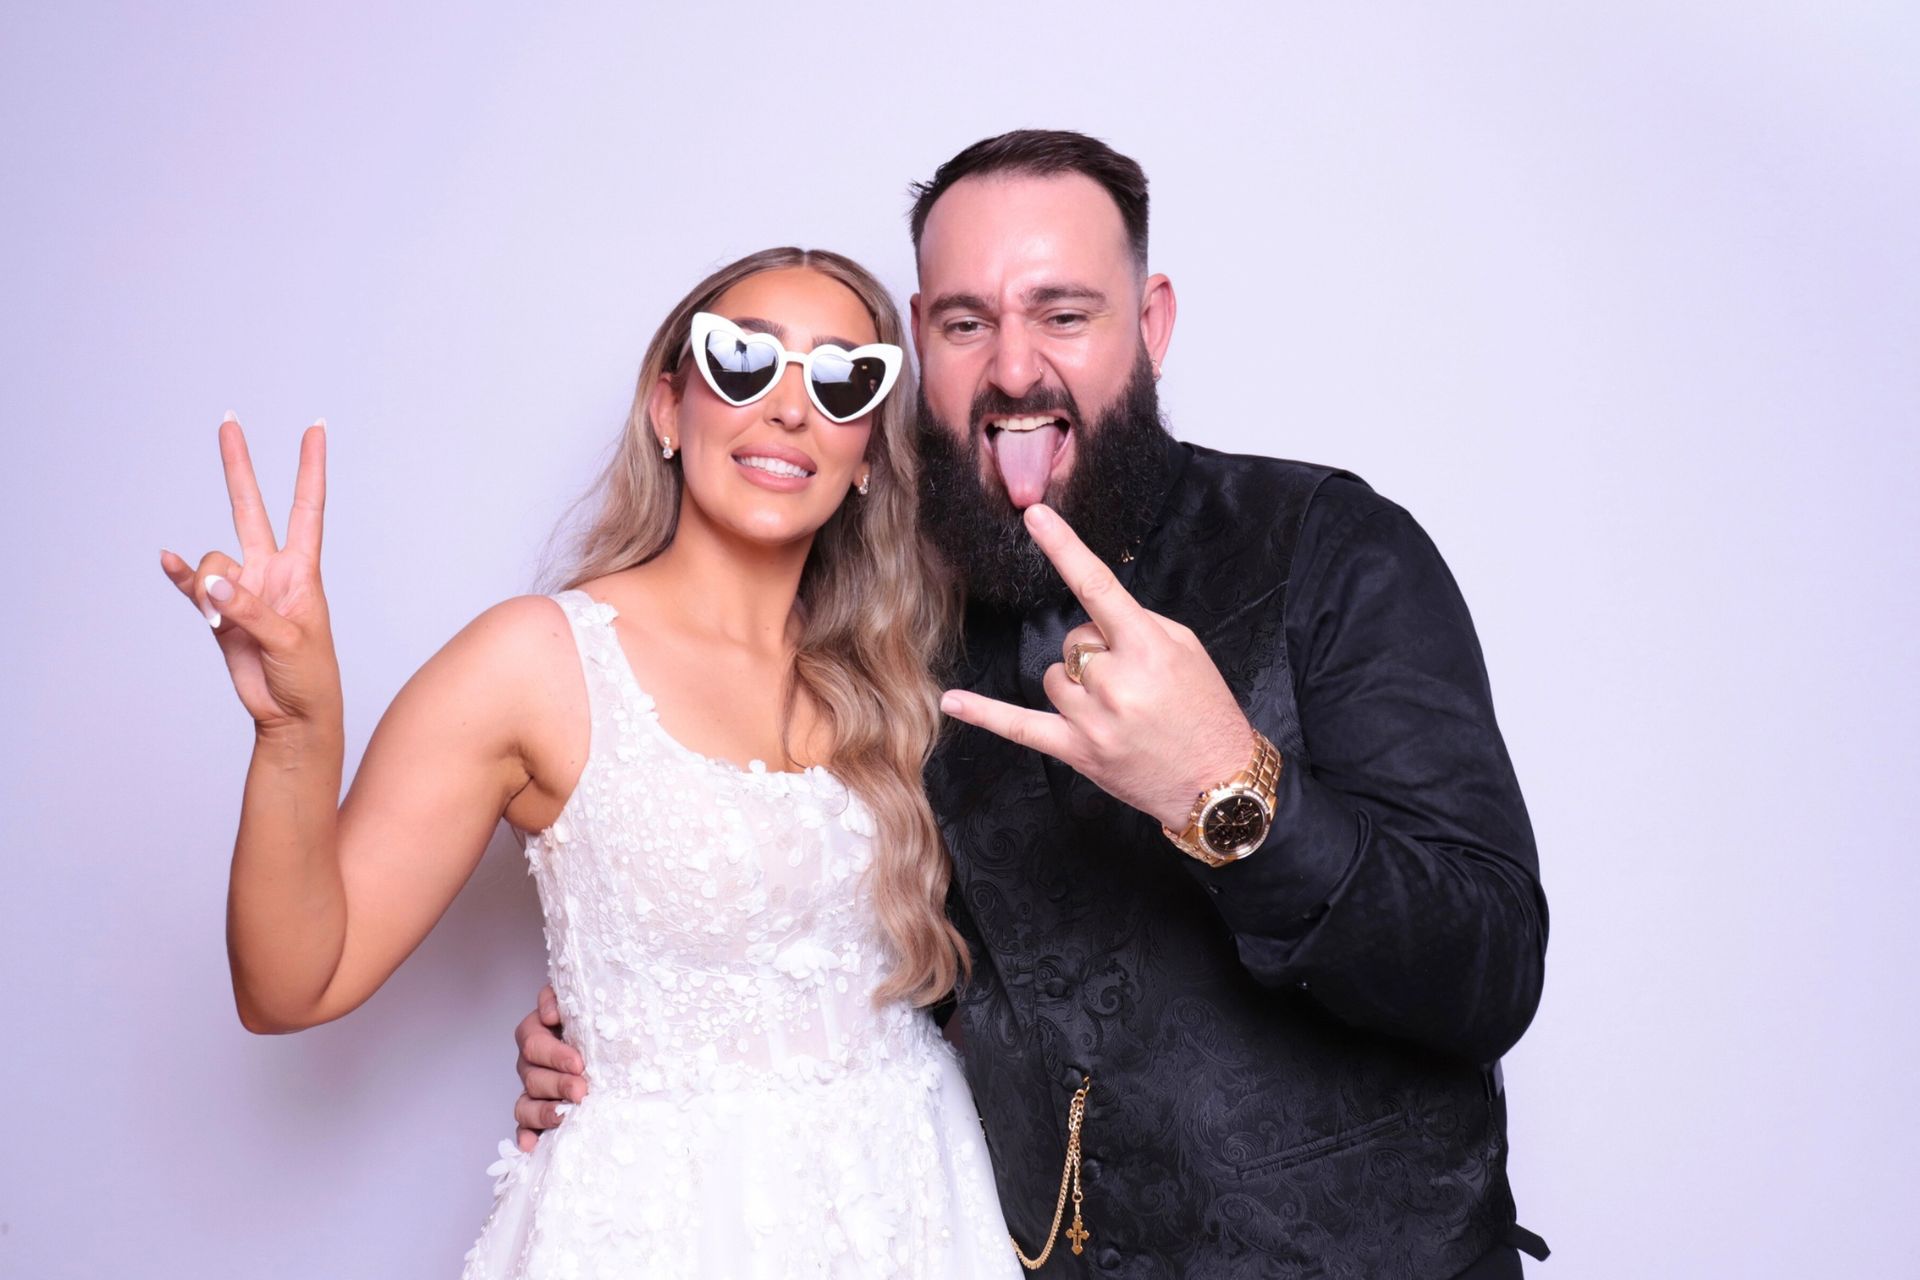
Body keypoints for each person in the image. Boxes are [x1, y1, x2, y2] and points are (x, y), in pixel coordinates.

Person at [515, 132, 1551, 1278]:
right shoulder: (889, 614)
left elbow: (1491, 969)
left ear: (1150, 324)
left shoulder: (1327, 546)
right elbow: (886, 946)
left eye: (1063, 314)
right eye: (968, 323)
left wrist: (1227, 788)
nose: (1014, 368)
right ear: (922, 339)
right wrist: (640, 1030)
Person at [162, 247, 1021, 1277]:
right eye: (744, 361)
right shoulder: (535, 662)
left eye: (842, 381)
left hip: (913, 1202)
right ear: (668, 408)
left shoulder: (908, 671)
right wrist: (295, 733)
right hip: (668, 1228)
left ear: (869, 451)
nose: (791, 408)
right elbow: (290, 986)